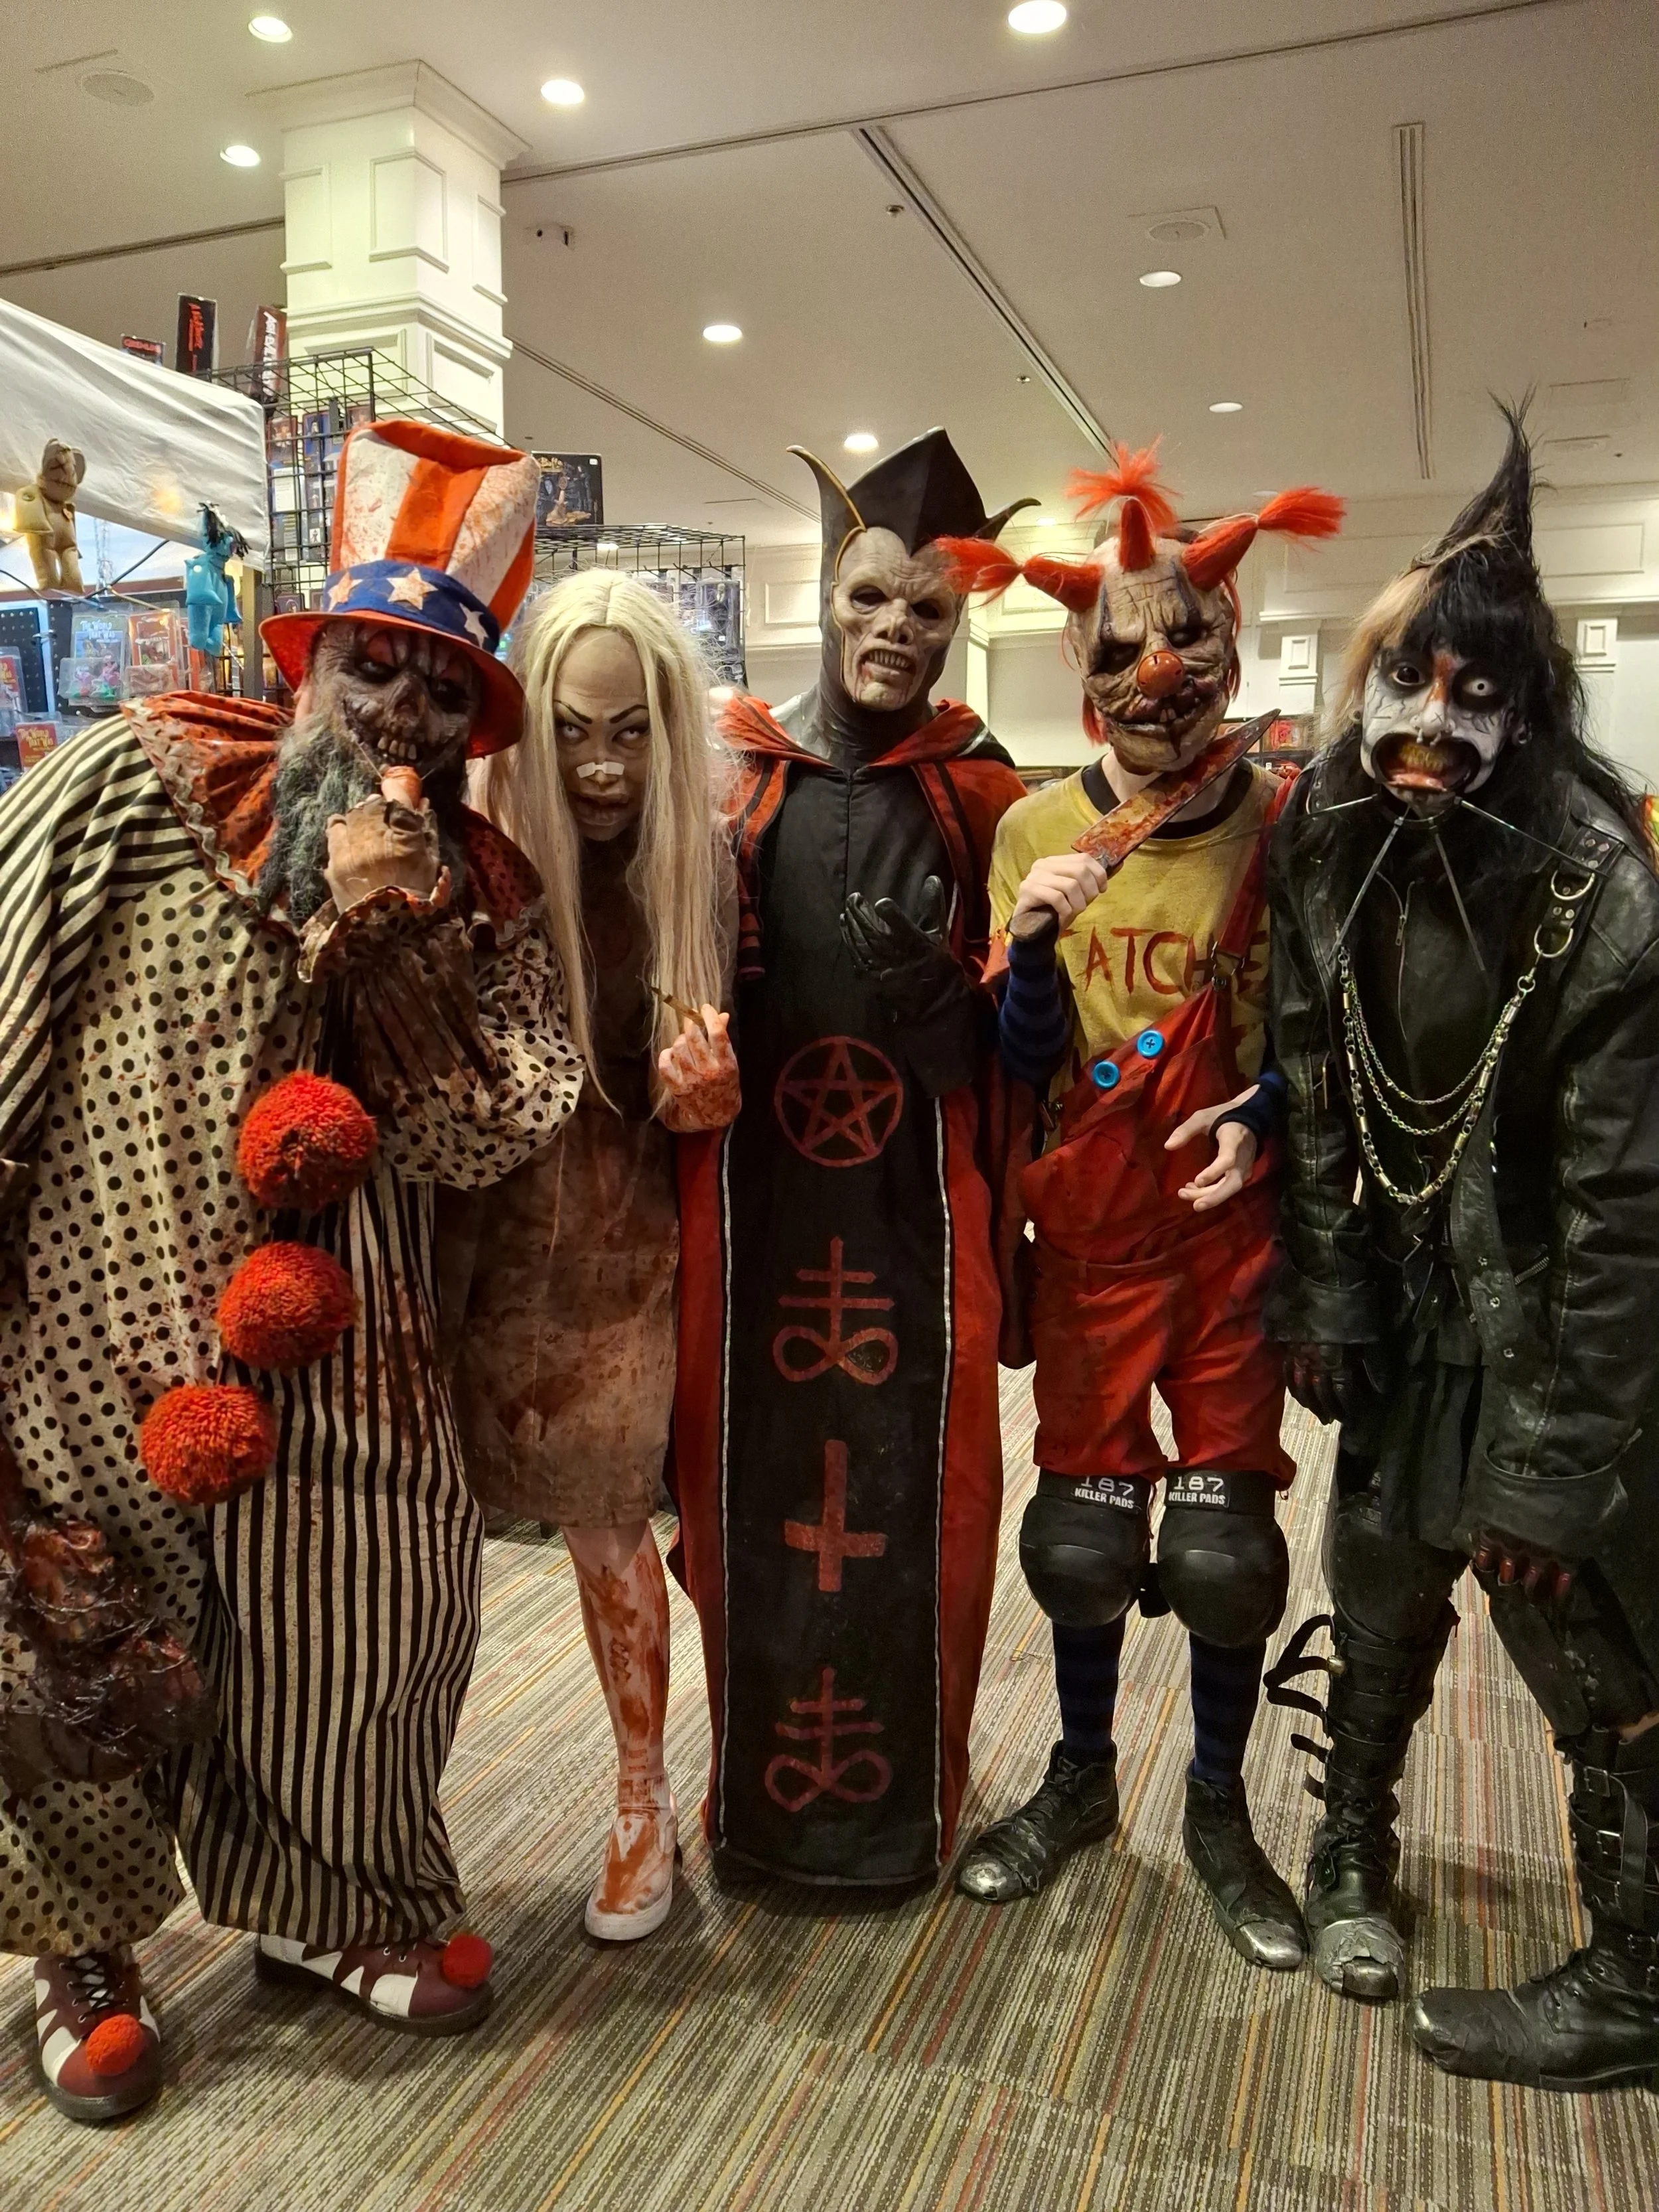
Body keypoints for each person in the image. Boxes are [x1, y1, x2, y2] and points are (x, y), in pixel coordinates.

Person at [0, 419, 584, 2121]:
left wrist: (418, 974)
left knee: (372, 1605)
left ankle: (334, 1903)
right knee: (81, 1611)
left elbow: (506, 1125)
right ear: (312, 657)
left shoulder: (482, 887)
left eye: (443, 689)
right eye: (375, 668)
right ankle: (79, 1939)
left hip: (353, 1331)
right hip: (99, 1296)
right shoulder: (139, 768)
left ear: (475, 727)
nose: (403, 714)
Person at [1265, 407, 1659, 2090]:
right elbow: (1309, 1076)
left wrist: (1561, 1464)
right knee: (1375, 1584)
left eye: (1477, 697)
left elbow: (1625, 1204)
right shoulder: (1333, 829)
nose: (1430, 725)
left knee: (1574, 1625)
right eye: (1407, 682)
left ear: (1528, 709)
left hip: (1553, 1327)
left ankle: (1639, 1974)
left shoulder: (1594, 880)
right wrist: (1333, 1283)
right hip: (1414, 1295)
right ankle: (1348, 1851)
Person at [942, 449, 1342, 1966]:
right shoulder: (1032, 834)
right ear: (1075, 664)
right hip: (1095, 1236)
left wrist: (1277, 1108)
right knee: (1084, 1542)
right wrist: (1034, 956)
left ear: (1231, 650)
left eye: (1183, 643)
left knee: (1232, 1550)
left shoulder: (1287, 824)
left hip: (1230, 1238)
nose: (1153, 673)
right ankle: (1080, 1778)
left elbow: (1317, 1034)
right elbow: (1021, 1058)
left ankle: (1221, 1809)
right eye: (1117, 649)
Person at [672, 429, 1033, 1885]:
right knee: (742, 1485)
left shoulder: (978, 791)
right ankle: (752, 1808)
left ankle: (899, 1815)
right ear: (827, 593)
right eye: (870, 598)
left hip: (911, 1217)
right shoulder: (739, 776)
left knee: (917, 1497)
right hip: (759, 1204)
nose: (893, 631)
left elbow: (1030, 1032)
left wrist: (958, 999)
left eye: (927, 611)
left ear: (958, 625)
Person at [440, 571, 739, 1943]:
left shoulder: (703, 867)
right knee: (414, 1543)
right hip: (468, 1249)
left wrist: (711, 1094)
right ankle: (381, 1816)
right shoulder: (473, 857)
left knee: (610, 1535)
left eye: (630, 729)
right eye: (572, 728)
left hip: (620, 1258)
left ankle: (639, 1795)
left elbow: (750, 1081)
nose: (605, 762)